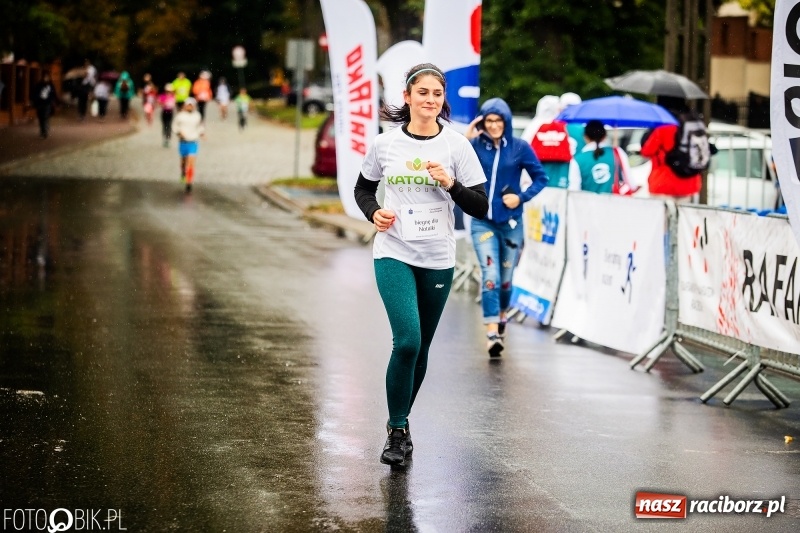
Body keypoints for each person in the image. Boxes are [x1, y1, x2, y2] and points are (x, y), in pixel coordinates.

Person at [353, 63, 489, 467]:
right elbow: (363, 188)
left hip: (437, 257)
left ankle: (402, 421)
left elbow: (480, 205)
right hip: (393, 251)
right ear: (407, 96)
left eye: (437, 93)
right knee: (408, 340)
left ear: (442, 99)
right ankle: (396, 430)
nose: (430, 100)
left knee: (422, 347)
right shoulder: (385, 144)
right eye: (422, 93)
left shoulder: (456, 146)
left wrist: (451, 184)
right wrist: (373, 212)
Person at [465, 98, 549, 357]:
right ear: (482, 122)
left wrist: (520, 197)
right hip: (482, 222)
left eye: (498, 121)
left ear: (506, 122)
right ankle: (491, 332)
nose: (493, 126)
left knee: (505, 281)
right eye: (488, 121)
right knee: (490, 276)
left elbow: (541, 178)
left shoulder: (520, 147)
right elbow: (452, 165)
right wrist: (467, 139)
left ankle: (501, 317)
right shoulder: (474, 146)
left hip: (511, 223)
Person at [640, 107, 701, 203]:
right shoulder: (693, 125)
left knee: (662, 218)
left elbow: (646, 151)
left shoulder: (663, 127)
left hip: (663, 184)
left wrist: (649, 133)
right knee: (684, 218)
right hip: (690, 185)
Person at [568, 119, 632, 194]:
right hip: (615, 203)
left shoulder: (577, 160)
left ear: (585, 137)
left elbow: (574, 190)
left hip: (587, 204)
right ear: (605, 136)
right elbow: (630, 182)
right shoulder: (617, 152)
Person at [171, 97, 204, 192]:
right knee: (183, 162)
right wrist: (178, 132)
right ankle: (182, 172)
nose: (190, 107)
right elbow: (175, 126)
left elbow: (200, 126)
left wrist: (202, 132)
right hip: (183, 141)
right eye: (188, 105)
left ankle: (189, 182)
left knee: (191, 162)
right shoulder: (180, 116)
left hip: (193, 141)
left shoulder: (197, 115)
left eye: (191, 105)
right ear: (185, 106)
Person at [33, 72, 57, 138]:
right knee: (41, 118)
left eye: (47, 77)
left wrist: (54, 101)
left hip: (47, 104)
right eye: (45, 77)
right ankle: (42, 130)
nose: (46, 79)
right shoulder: (39, 85)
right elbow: (35, 94)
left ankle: (45, 131)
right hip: (40, 104)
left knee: (45, 117)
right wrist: (35, 102)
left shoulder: (51, 85)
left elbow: (53, 94)